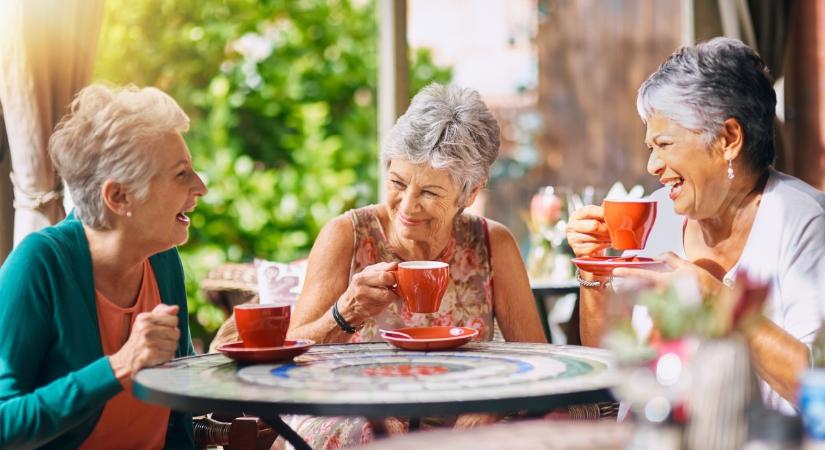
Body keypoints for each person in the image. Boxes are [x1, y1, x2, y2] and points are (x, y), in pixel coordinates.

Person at [269, 83, 545, 448]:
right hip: (347, 415)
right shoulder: (346, 235)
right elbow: (286, 359)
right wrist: (346, 311)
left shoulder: (494, 244)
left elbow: (540, 364)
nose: (408, 206)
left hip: (460, 429)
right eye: (398, 182)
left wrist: (491, 406)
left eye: (430, 193)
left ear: (470, 193)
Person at [566, 37, 825, 414]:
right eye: (650, 148)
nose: (652, 166)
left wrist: (717, 300)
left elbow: (815, 385)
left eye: (665, 144)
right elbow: (610, 365)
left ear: (728, 139)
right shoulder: (655, 213)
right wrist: (593, 271)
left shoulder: (802, 221)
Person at [0, 84, 208, 448]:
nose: (201, 187)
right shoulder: (40, 264)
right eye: (181, 174)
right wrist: (119, 366)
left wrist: (231, 359)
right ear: (119, 196)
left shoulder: (162, 259)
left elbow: (179, 406)